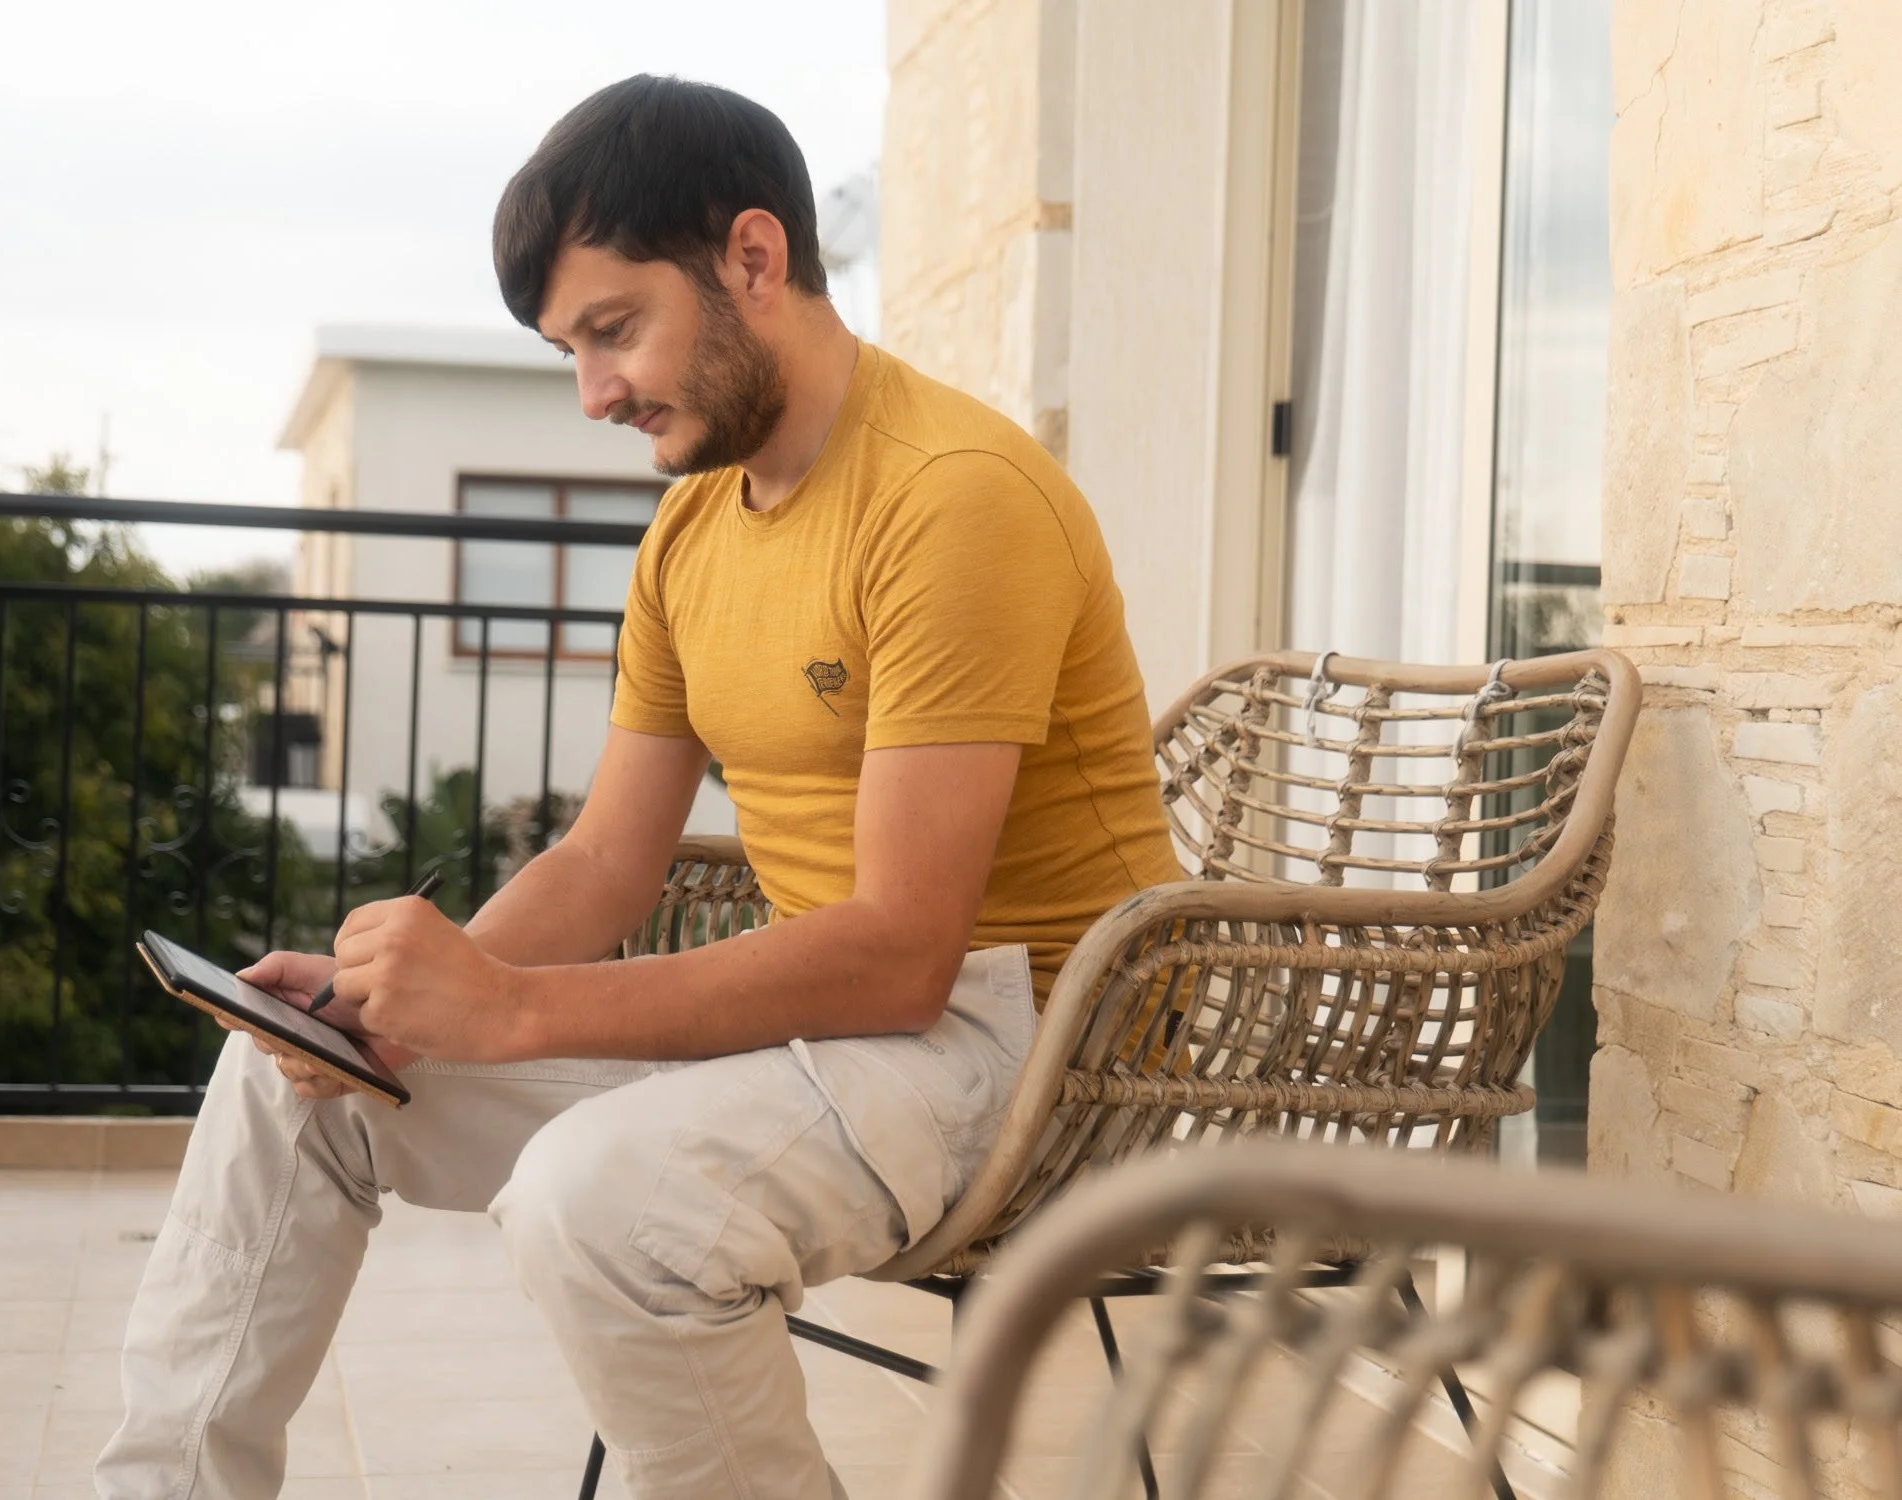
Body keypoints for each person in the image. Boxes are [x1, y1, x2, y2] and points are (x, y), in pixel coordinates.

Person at [96, 74, 1180, 1500]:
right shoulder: (690, 533)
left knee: (602, 1199)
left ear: (753, 257)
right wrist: (409, 1004)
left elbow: (907, 952)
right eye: (570, 350)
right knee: (294, 1077)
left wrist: (509, 1007)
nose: (594, 393)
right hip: (819, 1029)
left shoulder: (953, 497)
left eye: (613, 330)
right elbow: (610, 860)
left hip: (1035, 1046)